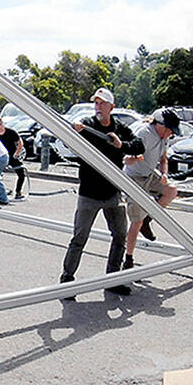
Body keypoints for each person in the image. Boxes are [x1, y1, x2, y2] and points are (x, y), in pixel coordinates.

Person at [58, 88, 144, 297]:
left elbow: (139, 146)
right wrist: (74, 133)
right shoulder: (87, 125)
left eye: (102, 103)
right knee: (80, 237)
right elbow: (69, 141)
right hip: (89, 193)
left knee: (120, 236)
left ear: (111, 107)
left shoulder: (119, 128)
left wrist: (121, 144)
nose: (98, 107)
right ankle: (67, 280)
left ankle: (112, 279)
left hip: (112, 193)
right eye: (96, 103)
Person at [120, 107, 180, 270]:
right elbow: (127, 158)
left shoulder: (164, 138)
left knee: (171, 191)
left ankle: (149, 218)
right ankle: (128, 258)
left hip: (150, 175)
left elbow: (163, 159)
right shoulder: (144, 133)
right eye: (169, 130)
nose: (170, 134)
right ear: (159, 125)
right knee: (136, 221)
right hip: (135, 177)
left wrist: (164, 174)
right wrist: (132, 158)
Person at [0, 116, 27, 199]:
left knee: (21, 174)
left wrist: (17, 153)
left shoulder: (11, 132)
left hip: (12, 156)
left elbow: (20, 142)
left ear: (2, 125)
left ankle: (18, 192)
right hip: (2, 157)